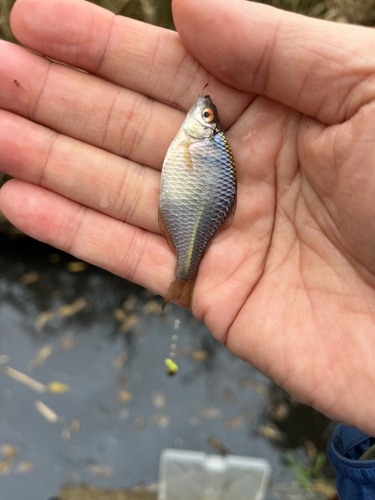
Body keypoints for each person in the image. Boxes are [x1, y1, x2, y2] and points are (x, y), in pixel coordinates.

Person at [0, 0, 375, 495]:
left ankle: (185, 275)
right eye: (205, 114)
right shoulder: (203, 144)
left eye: (205, 115)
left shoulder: (199, 143)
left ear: (205, 129)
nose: (201, 114)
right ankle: (185, 272)